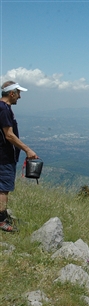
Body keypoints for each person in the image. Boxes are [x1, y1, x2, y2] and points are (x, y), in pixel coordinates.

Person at [0, 81, 38, 232]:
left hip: (3, 156)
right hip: (3, 157)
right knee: (3, 189)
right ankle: (2, 221)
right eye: (19, 93)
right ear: (12, 94)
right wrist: (27, 150)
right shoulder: (3, 109)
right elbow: (9, 135)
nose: (20, 97)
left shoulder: (4, 108)